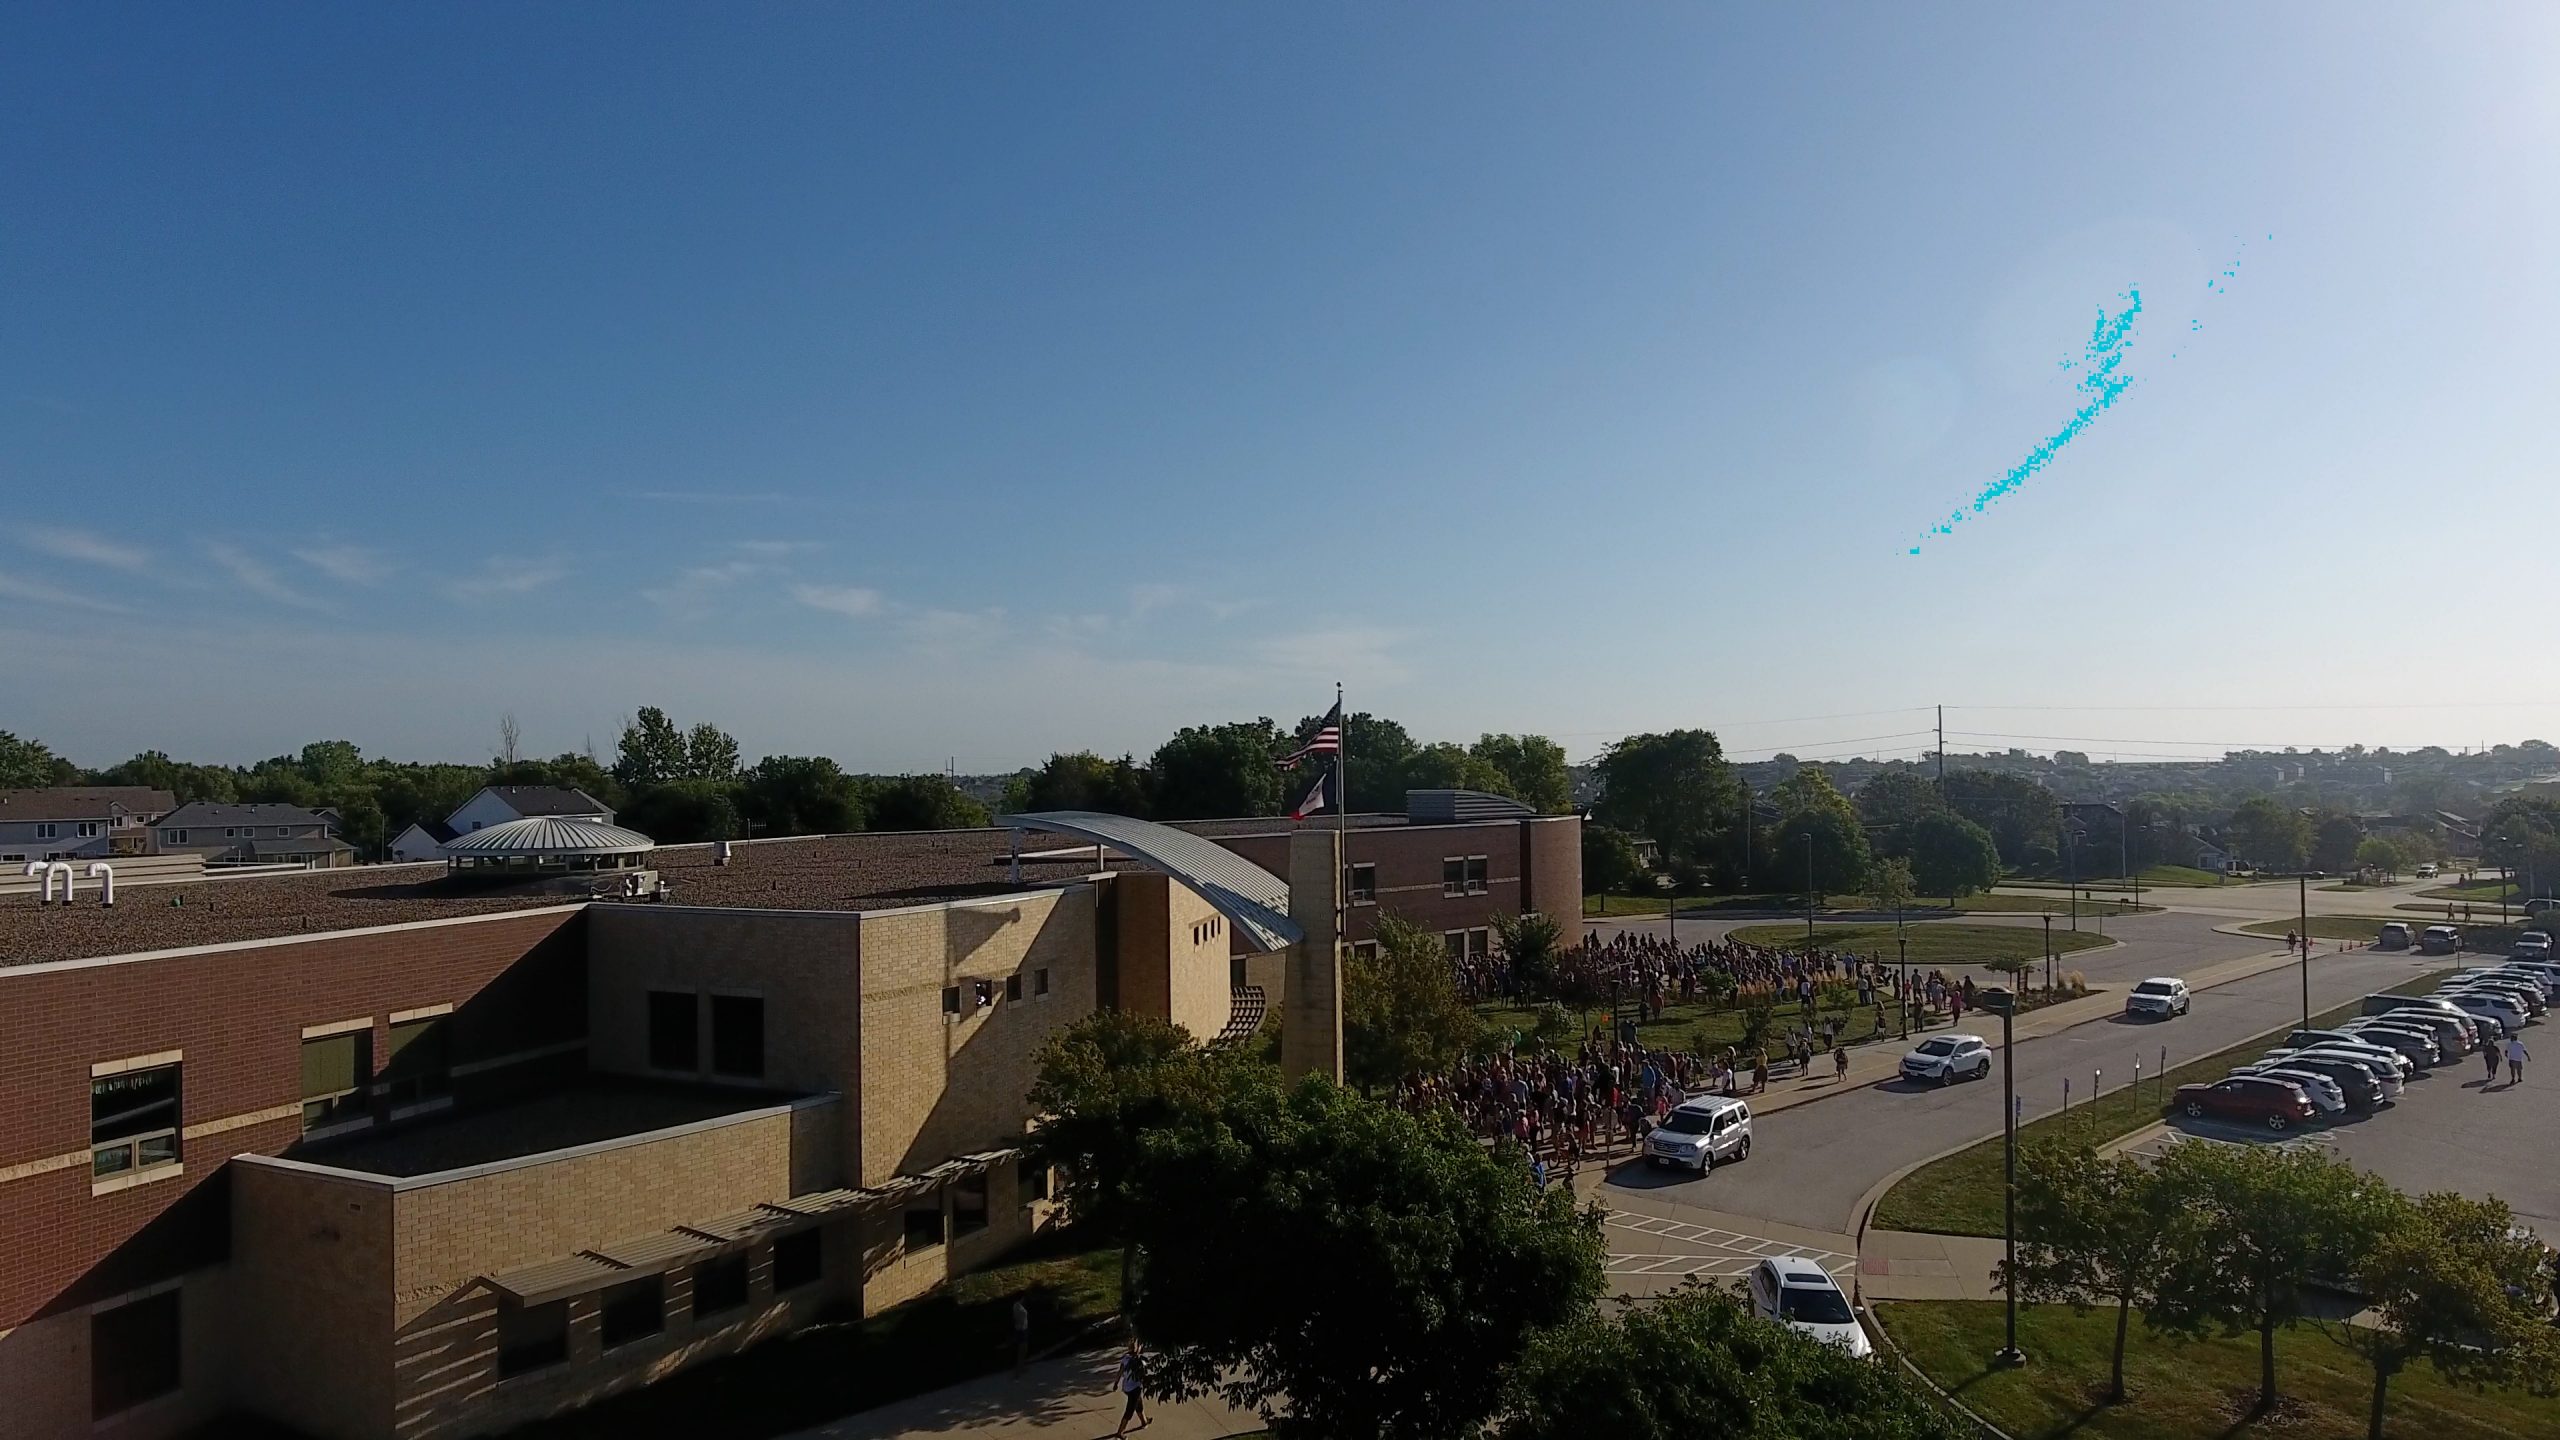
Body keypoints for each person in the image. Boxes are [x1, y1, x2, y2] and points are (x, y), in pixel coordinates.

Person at [1113, 1338, 1151, 1435]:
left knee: (1139, 1404)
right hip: (1135, 1388)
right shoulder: (1140, 1361)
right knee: (1130, 1410)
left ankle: (1144, 1422)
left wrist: (1116, 1383)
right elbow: (1144, 1375)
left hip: (1127, 1387)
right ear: (1138, 1348)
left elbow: (1120, 1372)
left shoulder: (1125, 1359)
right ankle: (1120, 1432)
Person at [1012, 1296, 1031, 1376]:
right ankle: (1018, 1371)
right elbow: (1017, 1317)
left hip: (1023, 1329)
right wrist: (1020, 1326)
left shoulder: (1019, 1305)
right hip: (1021, 1330)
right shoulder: (1017, 1306)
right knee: (1022, 1350)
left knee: (1024, 1349)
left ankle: (1022, 1367)